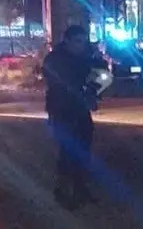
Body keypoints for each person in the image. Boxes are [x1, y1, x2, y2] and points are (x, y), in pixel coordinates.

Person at [42, 25, 108, 209]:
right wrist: (85, 87)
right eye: (78, 41)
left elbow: (100, 74)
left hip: (80, 110)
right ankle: (63, 192)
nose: (81, 45)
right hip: (61, 110)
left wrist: (95, 84)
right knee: (67, 151)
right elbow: (62, 82)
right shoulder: (55, 59)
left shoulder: (84, 58)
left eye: (84, 42)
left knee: (84, 149)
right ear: (67, 40)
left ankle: (80, 189)